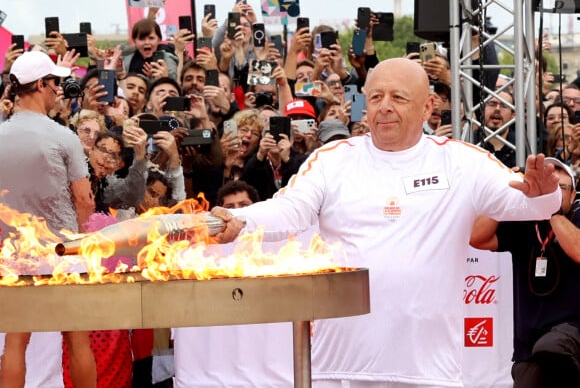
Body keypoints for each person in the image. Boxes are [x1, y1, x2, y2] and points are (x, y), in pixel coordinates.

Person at [209, 57, 561, 387]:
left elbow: (526, 205)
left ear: (427, 107)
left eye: (398, 97)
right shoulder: (333, 160)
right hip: (341, 367)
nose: (385, 106)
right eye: (375, 96)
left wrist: (546, 196)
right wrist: (241, 219)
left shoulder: (462, 162)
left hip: (429, 370)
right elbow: (290, 209)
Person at [0, 51, 96, 387]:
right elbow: (84, 199)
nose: (59, 89)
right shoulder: (63, 136)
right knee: (77, 339)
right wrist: (81, 232)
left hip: (13, 254)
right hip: (63, 250)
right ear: (41, 85)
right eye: (55, 82)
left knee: (15, 342)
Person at [470, 157, 580, 388]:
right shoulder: (525, 222)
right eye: (548, 187)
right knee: (529, 372)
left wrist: (551, 207)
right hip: (528, 344)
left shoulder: (576, 218)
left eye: (560, 188)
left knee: (552, 347)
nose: (554, 193)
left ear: (573, 194)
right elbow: (478, 238)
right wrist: (505, 193)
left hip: (573, 333)